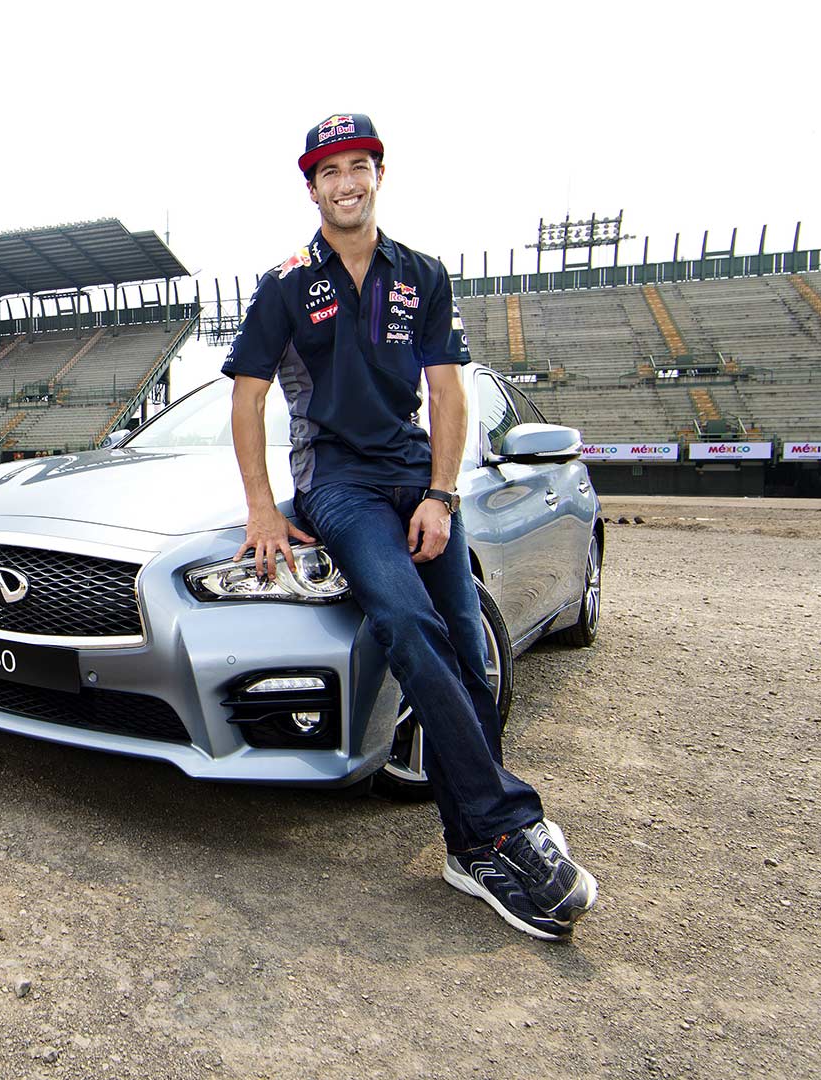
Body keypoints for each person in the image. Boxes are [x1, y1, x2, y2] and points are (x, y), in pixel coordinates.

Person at [223, 113, 599, 941]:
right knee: (407, 622)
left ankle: (468, 848)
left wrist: (441, 495)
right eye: (330, 171)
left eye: (359, 166)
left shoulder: (422, 274)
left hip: (414, 477)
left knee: (470, 652)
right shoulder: (284, 283)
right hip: (338, 485)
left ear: (379, 175)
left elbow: (448, 393)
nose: (346, 182)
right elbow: (247, 397)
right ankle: (507, 826)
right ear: (311, 187)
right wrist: (261, 504)